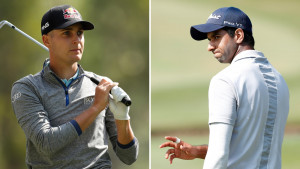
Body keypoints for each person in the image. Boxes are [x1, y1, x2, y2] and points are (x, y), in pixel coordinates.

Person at [160, 7, 289, 169]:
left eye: (216, 37)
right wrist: (197, 151)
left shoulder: (224, 80)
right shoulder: (280, 80)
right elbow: (251, 150)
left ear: (239, 35)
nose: (210, 46)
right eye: (209, 39)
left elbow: (219, 155)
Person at [11, 5, 138, 169]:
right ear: (47, 40)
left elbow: (129, 157)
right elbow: (46, 143)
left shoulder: (99, 85)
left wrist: (122, 118)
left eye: (80, 33)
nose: (76, 39)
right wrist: (94, 109)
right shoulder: (27, 88)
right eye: (67, 33)